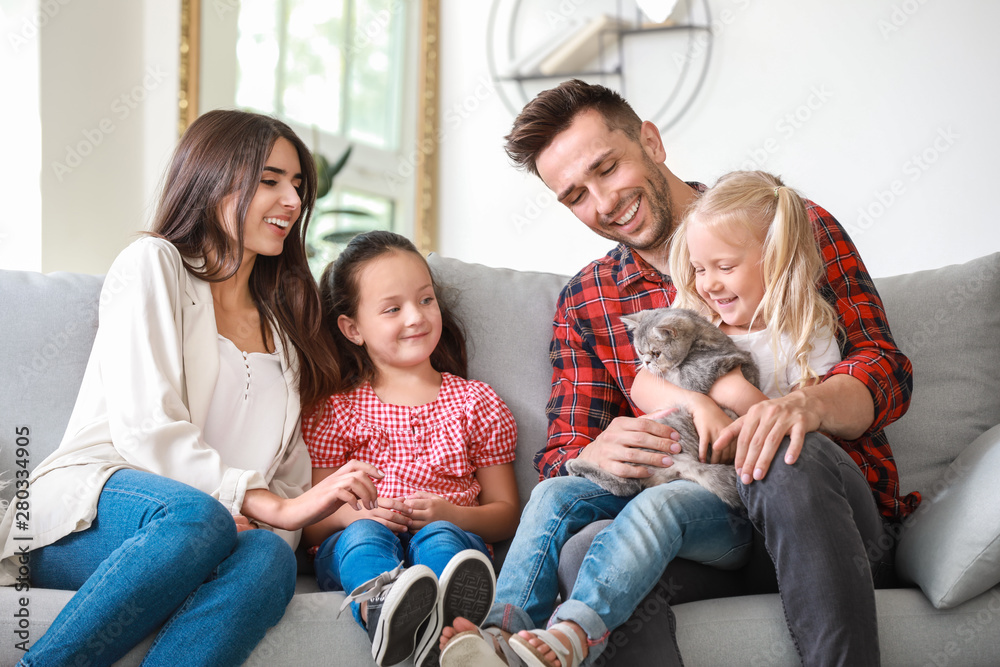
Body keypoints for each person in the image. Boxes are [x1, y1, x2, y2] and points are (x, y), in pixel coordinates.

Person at [440, 80, 920, 667]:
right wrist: (599, 447)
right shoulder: (590, 302)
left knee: (781, 446)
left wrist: (807, 407)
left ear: (651, 141)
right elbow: (562, 454)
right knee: (587, 549)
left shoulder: (779, 222)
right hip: (707, 533)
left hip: (829, 518)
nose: (604, 202)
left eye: (608, 168)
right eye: (576, 196)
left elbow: (885, 369)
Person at [0, 110, 382, 667]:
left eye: (298, 186)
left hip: (213, 532)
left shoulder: (282, 330)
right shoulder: (154, 264)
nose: (293, 202)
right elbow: (146, 427)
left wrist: (283, 514)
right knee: (199, 518)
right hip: (92, 518)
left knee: (270, 558)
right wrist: (262, 503)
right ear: (212, 177)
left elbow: (289, 476)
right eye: (270, 180)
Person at [302, 231, 520, 667]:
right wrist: (359, 514)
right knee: (363, 536)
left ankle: (452, 631)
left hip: (450, 532)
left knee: (441, 539)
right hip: (357, 538)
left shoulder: (475, 402)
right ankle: (382, 612)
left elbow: (507, 512)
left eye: (425, 300)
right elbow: (312, 523)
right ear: (352, 328)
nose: (416, 317)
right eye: (392, 309)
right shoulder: (336, 410)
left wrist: (451, 514)